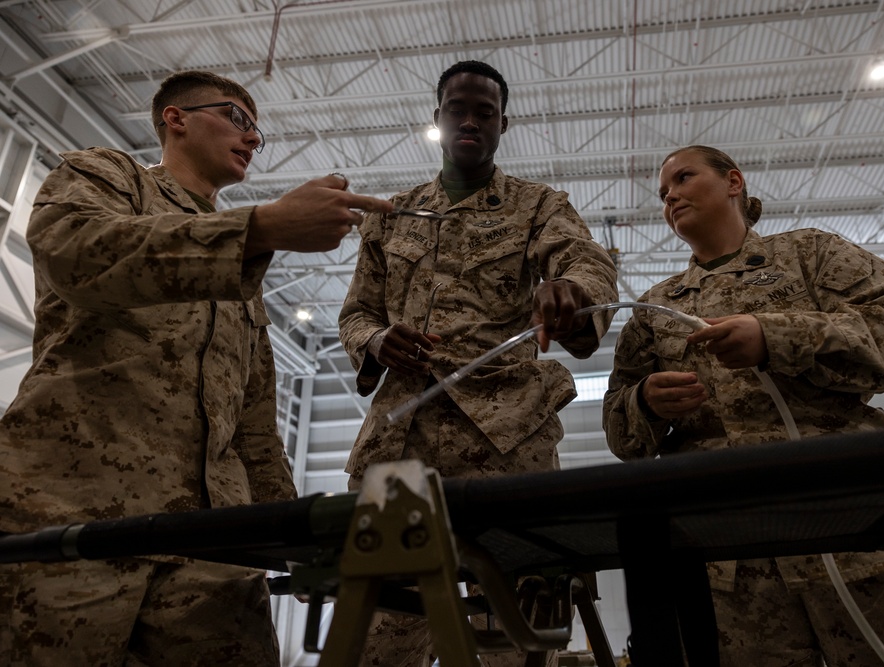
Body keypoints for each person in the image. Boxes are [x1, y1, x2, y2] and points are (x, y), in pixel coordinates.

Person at [0, 70, 394, 666]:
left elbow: (256, 425)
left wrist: (293, 531)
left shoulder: (243, 274)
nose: (251, 139)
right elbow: (75, 254)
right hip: (73, 520)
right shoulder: (110, 178)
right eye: (237, 118)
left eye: (258, 134)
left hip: (212, 549)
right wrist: (257, 226)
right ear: (175, 119)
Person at [603, 144, 884, 666]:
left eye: (683, 178)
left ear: (733, 182)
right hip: (735, 573)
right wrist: (647, 403)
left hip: (856, 527)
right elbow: (620, 430)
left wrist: (776, 336)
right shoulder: (657, 308)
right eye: (662, 193)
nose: (670, 195)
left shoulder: (808, 255)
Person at [338, 60, 619, 666]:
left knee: (511, 637)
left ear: (502, 124)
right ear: (437, 120)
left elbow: (587, 262)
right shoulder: (391, 216)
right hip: (401, 450)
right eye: (456, 110)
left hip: (505, 443)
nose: (469, 120)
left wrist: (570, 290)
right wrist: (377, 340)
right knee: (380, 634)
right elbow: (355, 313)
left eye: (484, 112)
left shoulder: (539, 204)